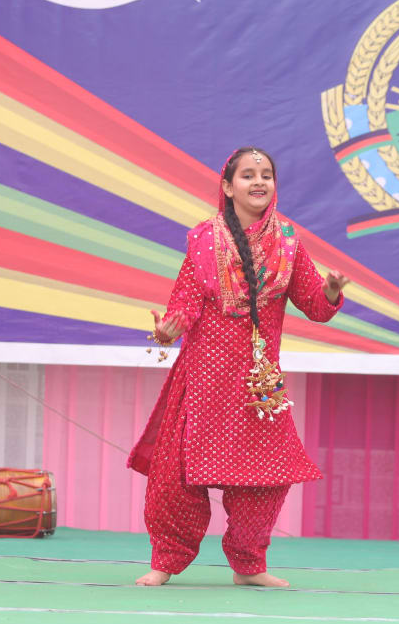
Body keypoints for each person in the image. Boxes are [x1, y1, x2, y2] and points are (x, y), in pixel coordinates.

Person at [128, 147, 349, 588]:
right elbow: (185, 303)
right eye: (248, 175)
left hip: (258, 387)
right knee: (176, 478)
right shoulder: (204, 240)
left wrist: (329, 292)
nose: (259, 181)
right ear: (228, 187)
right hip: (203, 381)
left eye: (266, 174)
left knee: (267, 479)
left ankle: (249, 565)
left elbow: (313, 306)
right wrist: (170, 329)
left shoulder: (287, 241)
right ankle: (165, 561)